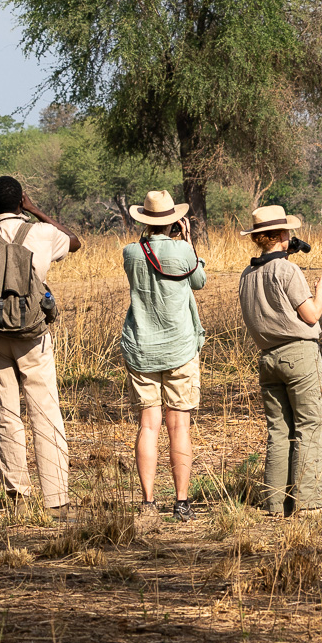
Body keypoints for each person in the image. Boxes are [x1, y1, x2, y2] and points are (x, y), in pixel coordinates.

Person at [0, 176, 82, 515]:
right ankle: (56, 501)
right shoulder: (41, 234)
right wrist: (36, 210)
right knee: (45, 412)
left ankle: (18, 498)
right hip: (34, 336)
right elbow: (75, 241)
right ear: (21, 201)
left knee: (6, 415)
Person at [237, 204, 322, 516]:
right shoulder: (288, 271)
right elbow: (310, 315)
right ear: (279, 235)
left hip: (267, 358)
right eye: (287, 232)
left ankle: (275, 503)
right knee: (309, 427)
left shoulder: (248, 274)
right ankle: (310, 503)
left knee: (279, 431)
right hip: (299, 354)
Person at [119, 190, 207, 522]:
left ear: (144, 219)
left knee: (148, 425)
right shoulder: (183, 249)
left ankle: (148, 502)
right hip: (180, 348)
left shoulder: (131, 253)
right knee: (179, 425)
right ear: (173, 220)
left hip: (141, 346)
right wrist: (187, 241)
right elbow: (199, 281)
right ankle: (182, 503)